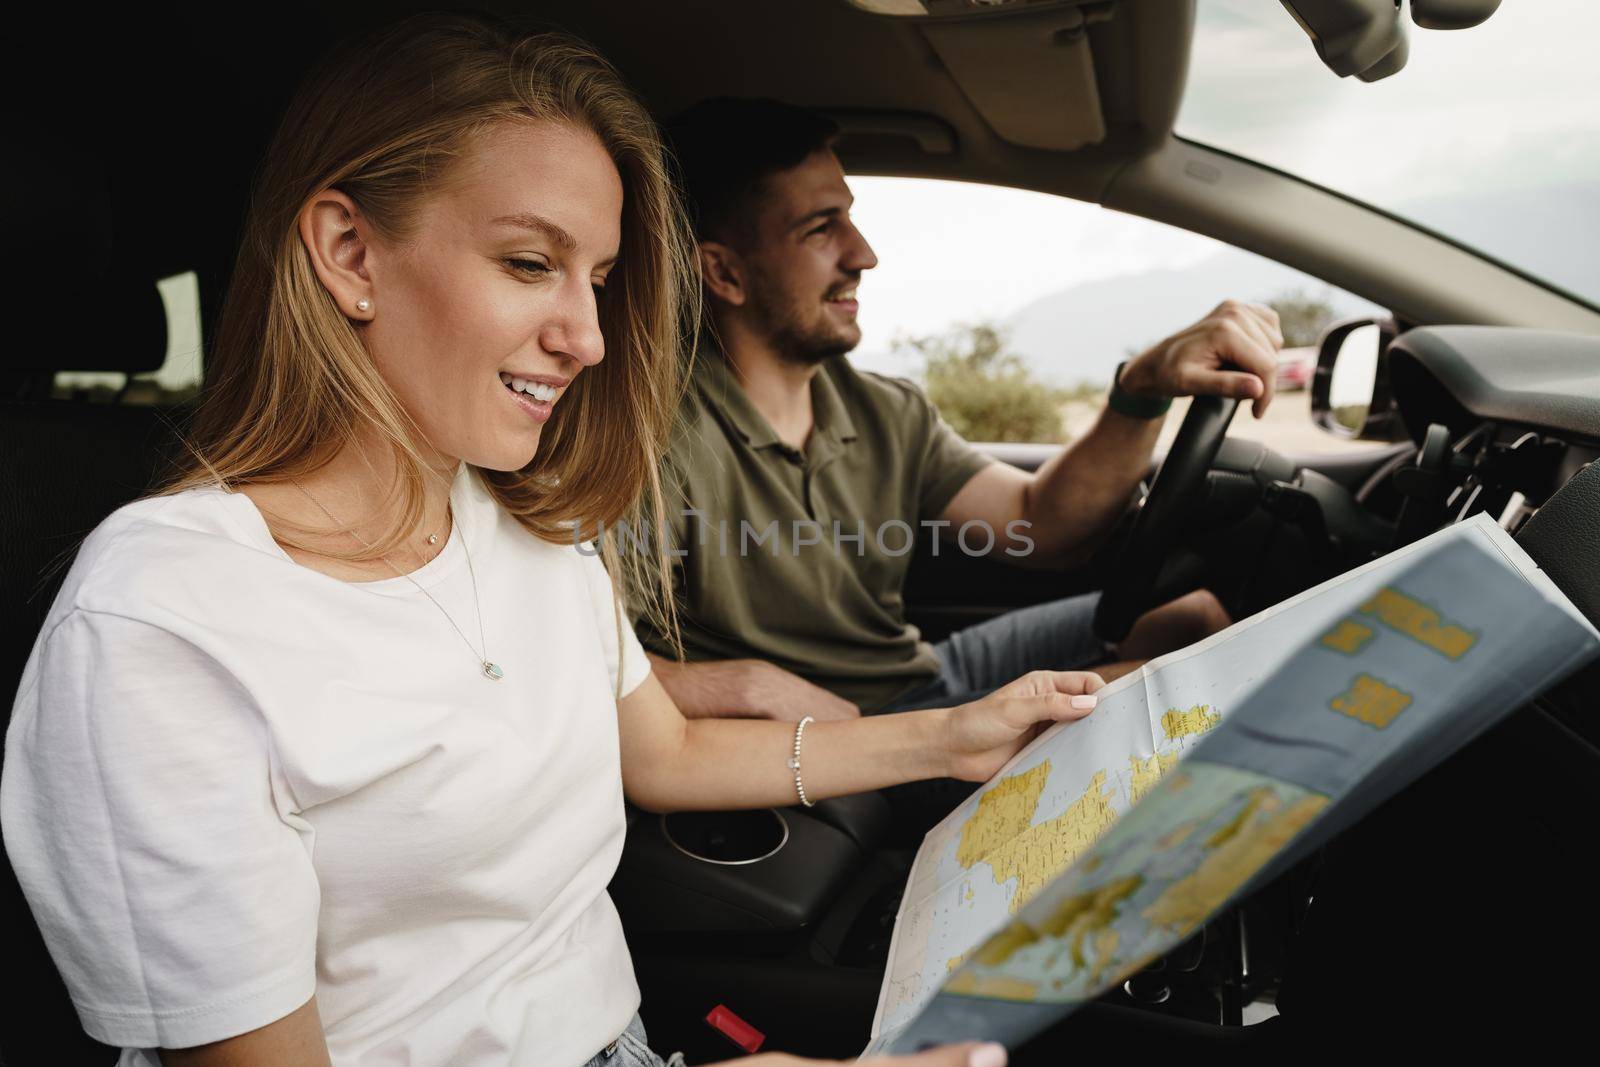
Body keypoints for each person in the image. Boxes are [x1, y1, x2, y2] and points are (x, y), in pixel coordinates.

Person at [0, 16, 1093, 1067]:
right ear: (348, 252)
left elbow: (666, 753)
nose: (587, 337)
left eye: (601, 280)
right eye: (530, 264)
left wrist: (957, 734)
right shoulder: (162, 619)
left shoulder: (533, 522)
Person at [634, 99, 1283, 734]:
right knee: (1186, 688)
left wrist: (1141, 389)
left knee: (1191, 619)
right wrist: (733, 686)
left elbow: (1040, 523)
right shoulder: (653, 437)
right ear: (723, 272)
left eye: (850, 221)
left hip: (920, 673)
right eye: (821, 228)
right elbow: (574, 658)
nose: (863, 255)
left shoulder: (886, 410)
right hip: (859, 738)